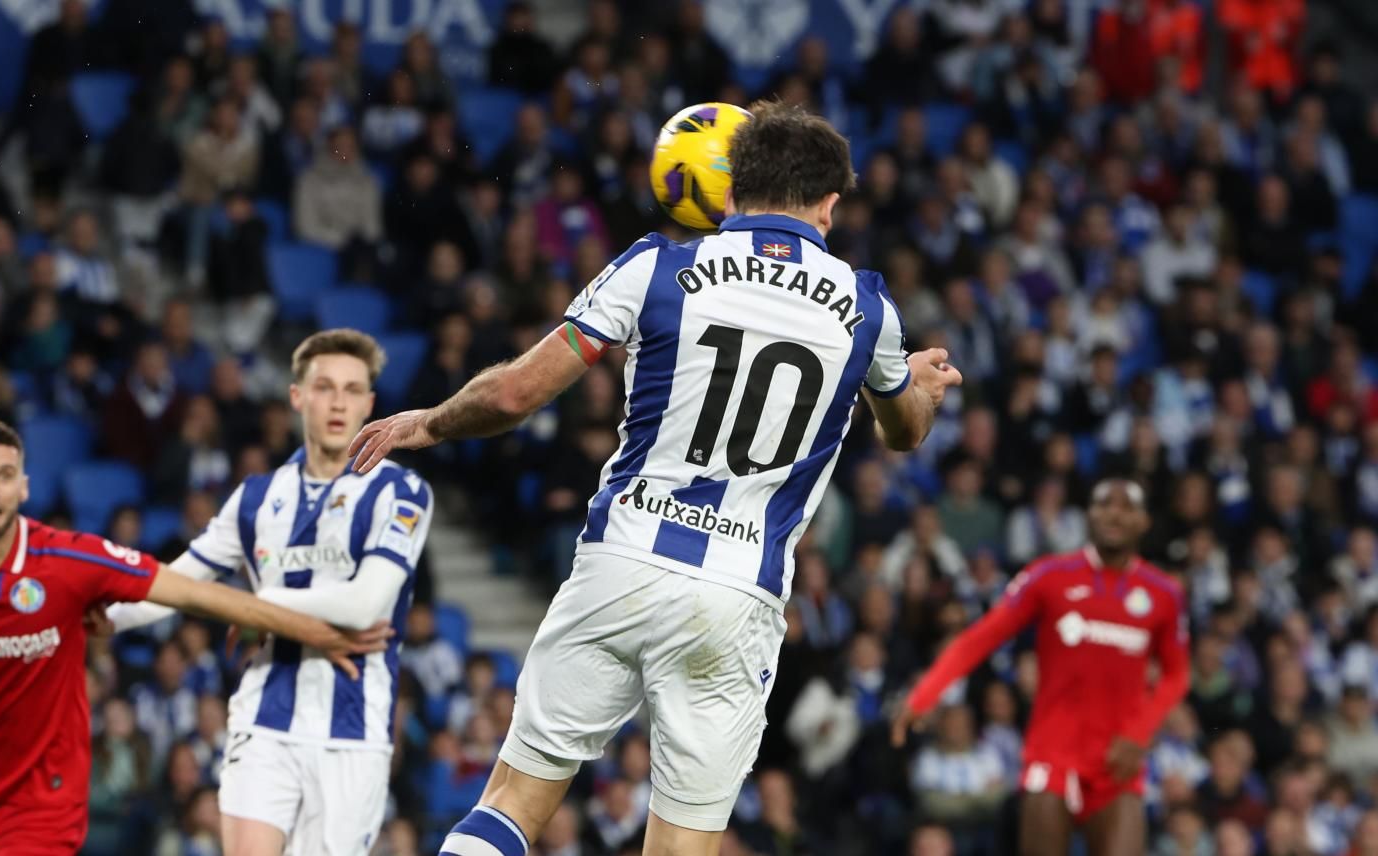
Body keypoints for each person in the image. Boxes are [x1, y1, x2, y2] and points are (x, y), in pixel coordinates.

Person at [349, 101, 962, 856]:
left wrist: (429, 422)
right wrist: (919, 389)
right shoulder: (869, 308)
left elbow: (513, 396)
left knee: (512, 802)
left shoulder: (656, 267)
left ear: (728, 187)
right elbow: (904, 432)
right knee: (681, 844)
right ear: (831, 204)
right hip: (737, 593)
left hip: (622, 561)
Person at [0, 417, 390, 855]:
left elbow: (198, 593)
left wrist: (316, 630)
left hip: (41, 809)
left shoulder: (70, 562)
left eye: (3, 475)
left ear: (23, 488)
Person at [102, 329, 433, 856]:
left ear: (370, 404)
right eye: (324, 387)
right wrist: (89, 617)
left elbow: (363, 605)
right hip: (263, 719)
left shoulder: (400, 491)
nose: (338, 402)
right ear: (298, 395)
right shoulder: (256, 497)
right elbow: (174, 584)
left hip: (351, 729)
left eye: (353, 390)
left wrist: (256, 609)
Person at [893, 479, 1191, 856]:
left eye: (1126, 505)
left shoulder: (1164, 594)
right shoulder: (1048, 576)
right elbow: (980, 638)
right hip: (1052, 756)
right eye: (1104, 503)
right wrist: (924, 695)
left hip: (1118, 761)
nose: (1114, 512)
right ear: (1089, 515)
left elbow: (1177, 674)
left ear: (1144, 521)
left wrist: (1139, 733)